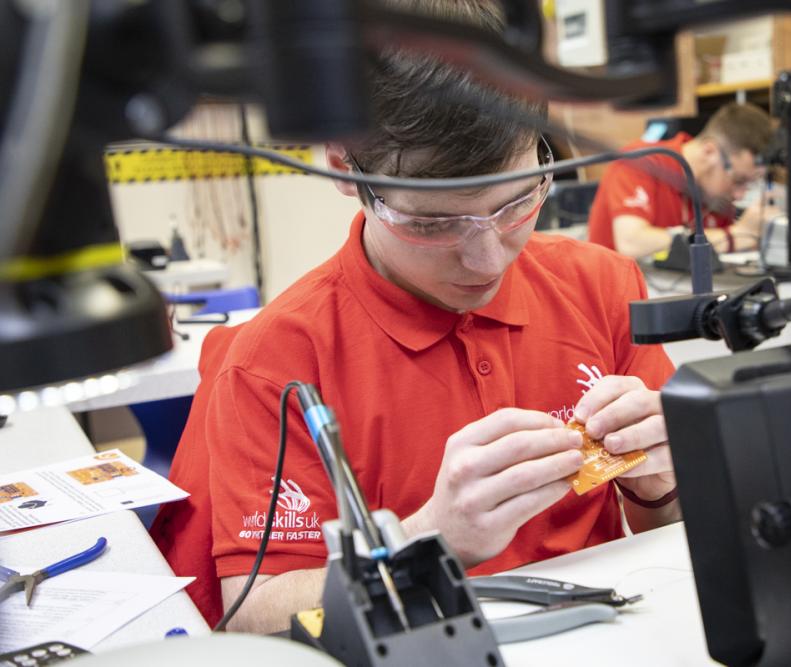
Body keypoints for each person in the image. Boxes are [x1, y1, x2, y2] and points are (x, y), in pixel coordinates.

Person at [151, 0, 678, 635]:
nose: (487, 258)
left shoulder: (602, 285)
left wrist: (661, 485)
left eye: (518, 203)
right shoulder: (277, 361)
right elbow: (250, 616)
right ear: (346, 167)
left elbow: (671, 541)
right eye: (434, 222)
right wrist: (428, 540)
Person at [588, 103, 780, 258]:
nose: (740, 194)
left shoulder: (714, 194)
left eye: (751, 184)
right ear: (709, 152)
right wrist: (732, 236)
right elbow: (631, 243)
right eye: (738, 180)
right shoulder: (640, 161)